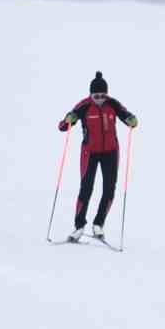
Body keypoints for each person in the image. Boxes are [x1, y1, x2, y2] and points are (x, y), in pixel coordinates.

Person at [58, 71, 137, 241]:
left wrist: (132, 119)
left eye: (103, 95)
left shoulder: (112, 104)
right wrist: (68, 120)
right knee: (86, 189)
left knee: (109, 189)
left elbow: (127, 116)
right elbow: (63, 126)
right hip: (90, 153)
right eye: (96, 95)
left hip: (110, 152)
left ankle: (98, 224)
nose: (100, 98)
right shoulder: (84, 106)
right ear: (90, 94)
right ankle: (79, 227)